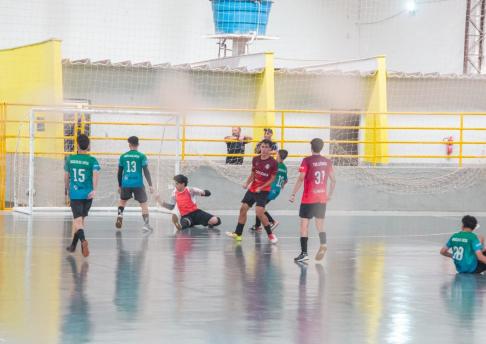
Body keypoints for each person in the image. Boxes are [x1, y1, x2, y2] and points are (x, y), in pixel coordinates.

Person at [290, 138, 336, 262]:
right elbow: (333, 180)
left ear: (311, 147)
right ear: (322, 147)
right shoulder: (327, 162)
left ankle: (304, 253)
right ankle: (324, 244)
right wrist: (329, 195)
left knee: (304, 225)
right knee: (320, 224)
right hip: (321, 198)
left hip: (308, 198)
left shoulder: (306, 160)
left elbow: (301, 178)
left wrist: (293, 193)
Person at [226, 139, 279, 244]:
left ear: (270, 149)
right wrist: (247, 183)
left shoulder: (273, 162)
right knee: (243, 209)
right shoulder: (255, 159)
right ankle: (238, 234)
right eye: (262, 147)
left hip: (263, 190)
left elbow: (272, 179)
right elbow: (253, 174)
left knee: (259, 212)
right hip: (253, 189)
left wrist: (262, 187)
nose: (263, 149)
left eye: (266, 147)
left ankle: (270, 234)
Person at [65, 134, 100, 257]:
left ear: (77, 145)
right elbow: (96, 175)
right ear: (88, 146)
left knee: (77, 221)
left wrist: (67, 189)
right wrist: (94, 190)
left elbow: (66, 177)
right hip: (88, 195)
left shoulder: (70, 159)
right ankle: (73, 246)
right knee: (81, 221)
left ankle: (83, 241)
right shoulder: (93, 160)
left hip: (75, 194)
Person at [115, 136, 154, 232]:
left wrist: (120, 185)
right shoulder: (141, 156)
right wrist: (150, 185)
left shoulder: (123, 156)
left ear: (129, 145)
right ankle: (146, 224)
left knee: (122, 201)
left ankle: (120, 215)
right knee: (143, 203)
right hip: (138, 184)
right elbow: (146, 171)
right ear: (138, 144)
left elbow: (119, 172)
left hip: (126, 183)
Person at [156, 174, 221, 231]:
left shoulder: (190, 190)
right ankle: (180, 225)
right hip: (185, 215)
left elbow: (208, 193)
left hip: (196, 213)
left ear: (183, 184)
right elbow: (172, 207)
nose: (175, 185)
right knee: (185, 222)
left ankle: (209, 223)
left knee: (216, 220)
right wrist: (161, 202)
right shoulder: (174, 193)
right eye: (175, 183)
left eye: (177, 183)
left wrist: (204, 192)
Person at [250, 149, 288, 232]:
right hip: (276, 191)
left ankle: (272, 221)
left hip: (270, 190)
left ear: (278, 155)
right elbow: (285, 180)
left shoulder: (274, 164)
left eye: (277, 153)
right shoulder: (284, 167)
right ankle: (257, 226)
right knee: (260, 206)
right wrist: (282, 186)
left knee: (260, 207)